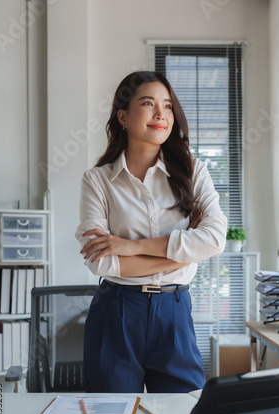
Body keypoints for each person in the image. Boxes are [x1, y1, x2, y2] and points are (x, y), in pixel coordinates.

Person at [75, 71, 227, 393]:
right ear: (123, 116)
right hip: (115, 310)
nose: (161, 115)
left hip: (174, 312)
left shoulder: (193, 171)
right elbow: (101, 263)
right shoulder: (97, 181)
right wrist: (183, 256)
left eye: (168, 106)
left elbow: (214, 239)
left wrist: (130, 248)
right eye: (148, 103)